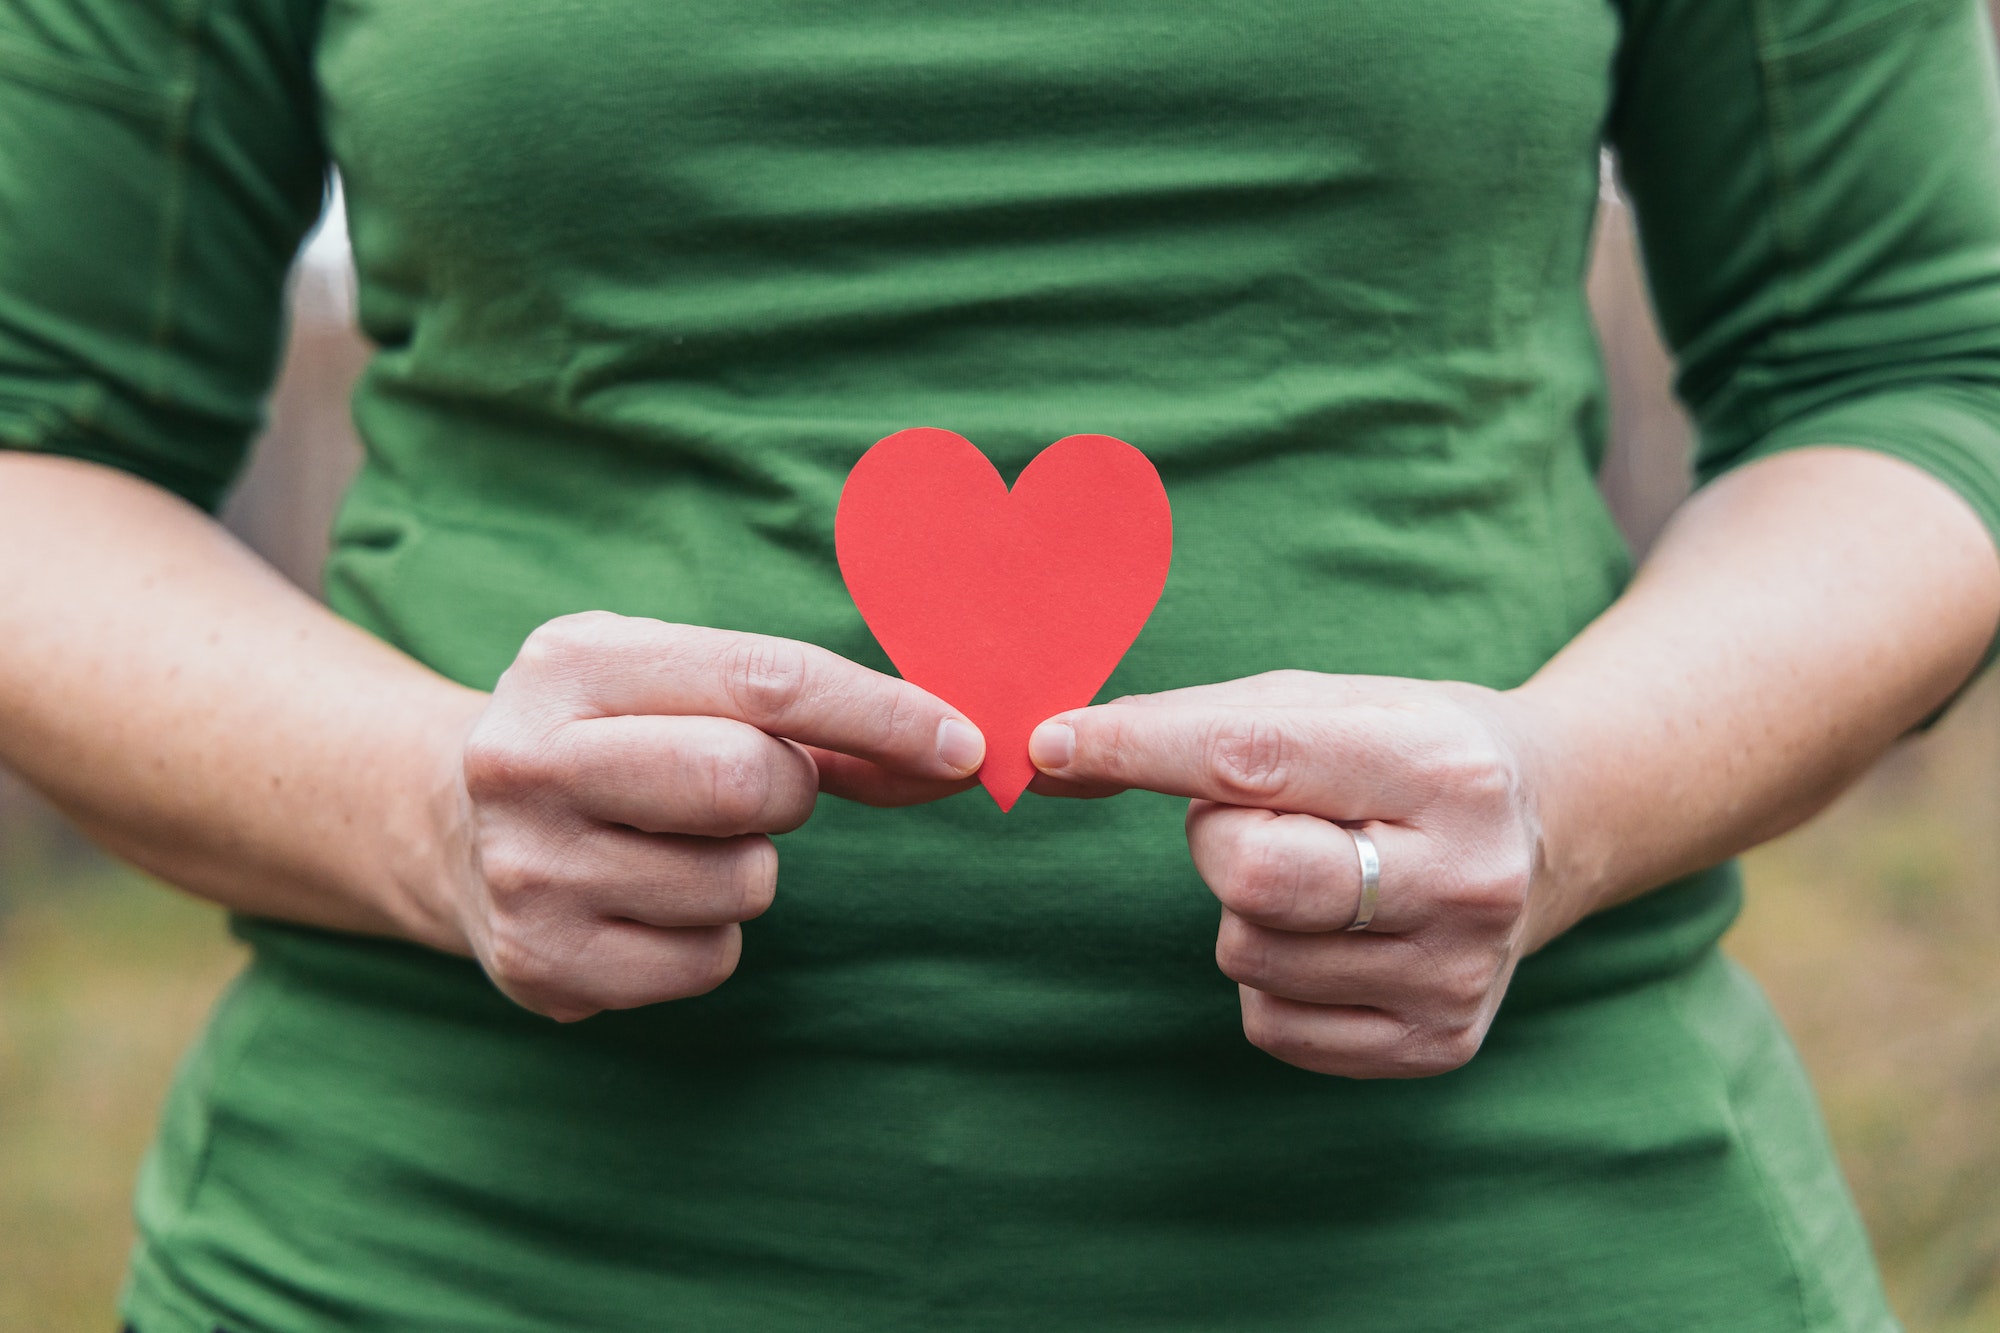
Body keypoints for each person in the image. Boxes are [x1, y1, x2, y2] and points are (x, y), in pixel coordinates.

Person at [3, 0, 1999, 1327]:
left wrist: (1571, 795)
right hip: (444, 1262)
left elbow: (1916, 371)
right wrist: (420, 810)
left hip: (1521, 1248)